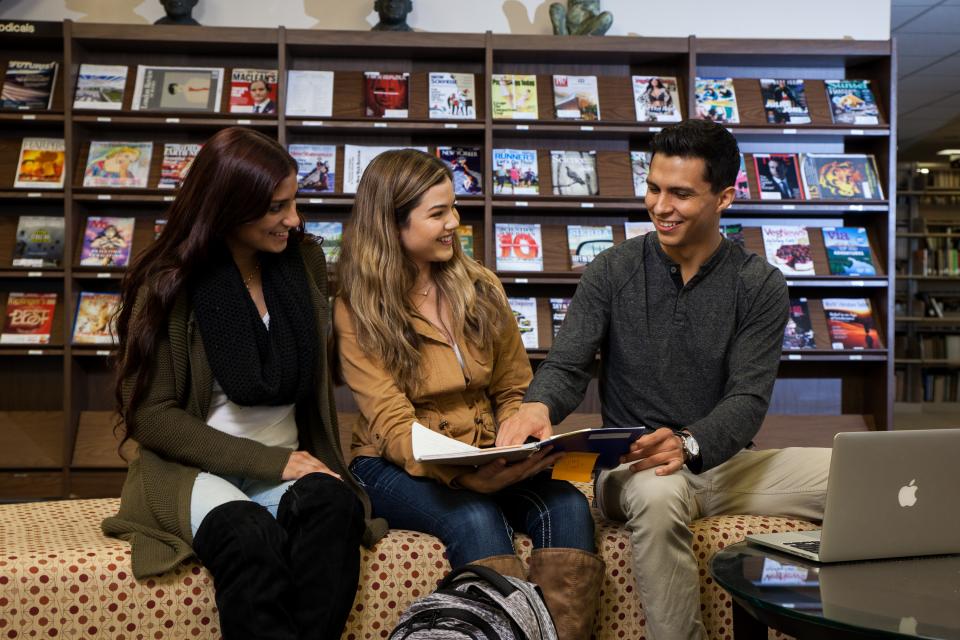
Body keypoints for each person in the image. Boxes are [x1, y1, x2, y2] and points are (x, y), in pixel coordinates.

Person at [497, 119, 831, 640]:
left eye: (680, 193)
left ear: (724, 198)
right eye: (653, 188)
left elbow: (748, 397)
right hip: (634, 468)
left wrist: (691, 441)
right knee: (658, 494)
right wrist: (537, 406)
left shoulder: (759, 283)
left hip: (727, 462)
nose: (659, 206)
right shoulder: (611, 270)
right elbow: (566, 365)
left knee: (858, 477)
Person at [102, 127, 387, 640]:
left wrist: (287, 463)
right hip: (192, 470)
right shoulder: (168, 282)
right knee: (249, 535)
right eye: (277, 207)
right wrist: (273, 463)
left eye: (294, 201)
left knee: (335, 507)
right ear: (228, 206)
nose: (294, 220)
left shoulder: (304, 262)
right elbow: (152, 416)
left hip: (286, 463)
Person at [333, 148, 604, 640]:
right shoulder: (357, 308)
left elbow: (513, 386)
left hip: (486, 454)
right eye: (437, 213)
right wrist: (465, 480)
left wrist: (515, 437)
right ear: (392, 224)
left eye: (453, 208)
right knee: (475, 516)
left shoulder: (479, 285)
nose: (453, 223)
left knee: (566, 504)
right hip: (393, 462)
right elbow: (394, 428)